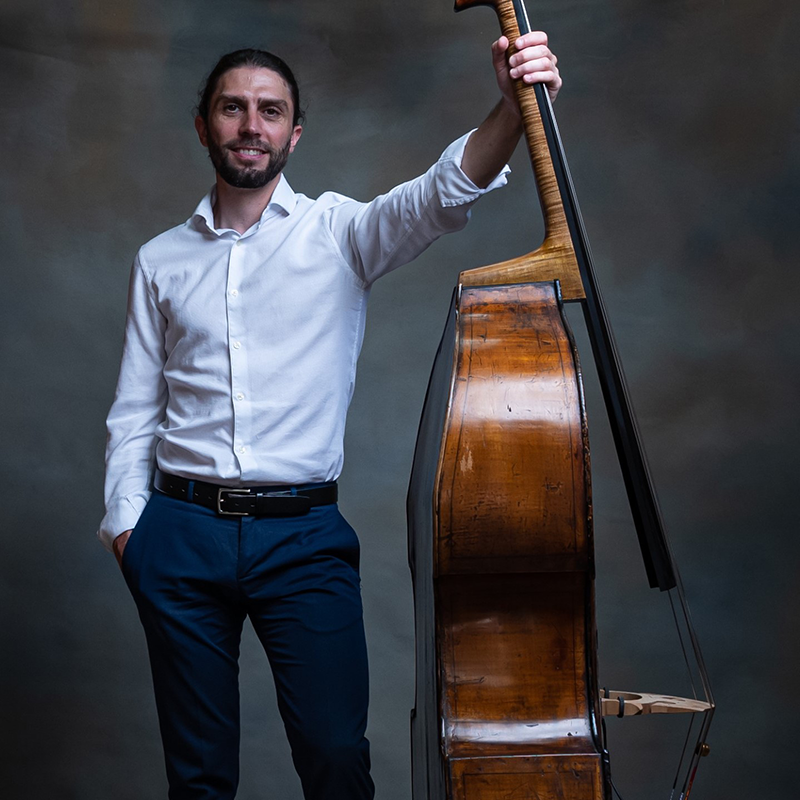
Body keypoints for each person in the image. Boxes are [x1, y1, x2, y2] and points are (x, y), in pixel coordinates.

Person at [99, 31, 561, 800]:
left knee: (337, 758)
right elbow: (134, 410)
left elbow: (442, 193)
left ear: (294, 132)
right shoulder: (159, 260)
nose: (251, 124)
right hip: (178, 537)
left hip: (302, 539)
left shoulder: (340, 233)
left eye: (270, 111)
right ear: (204, 124)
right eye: (233, 108)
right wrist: (128, 532)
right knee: (199, 776)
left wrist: (513, 108)